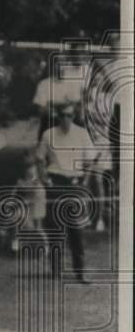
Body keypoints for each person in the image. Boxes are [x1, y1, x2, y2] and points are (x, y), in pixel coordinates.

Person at [36, 103, 101, 282]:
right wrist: (44, 179)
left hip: (75, 183)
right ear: (57, 116)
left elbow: (90, 162)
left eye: (69, 115)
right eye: (62, 116)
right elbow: (39, 159)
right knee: (55, 228)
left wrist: (85, 182)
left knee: (76, 229)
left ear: (74, 116)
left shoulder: (82, 134)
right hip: (55, 182)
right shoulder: (48, 134)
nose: (66, 119)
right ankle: (56, 270)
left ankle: (80, 272)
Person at [9, 149, 47, 253]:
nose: (24, 160)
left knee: (37, 224)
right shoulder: (28, 170)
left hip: (37, 198)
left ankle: (44, 246)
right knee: (21, 220)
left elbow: (33, 185)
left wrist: (21, 185)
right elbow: (24, 187)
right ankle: (17, 243)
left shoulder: (34, 171)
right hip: (30, 198)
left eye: (26, 158)